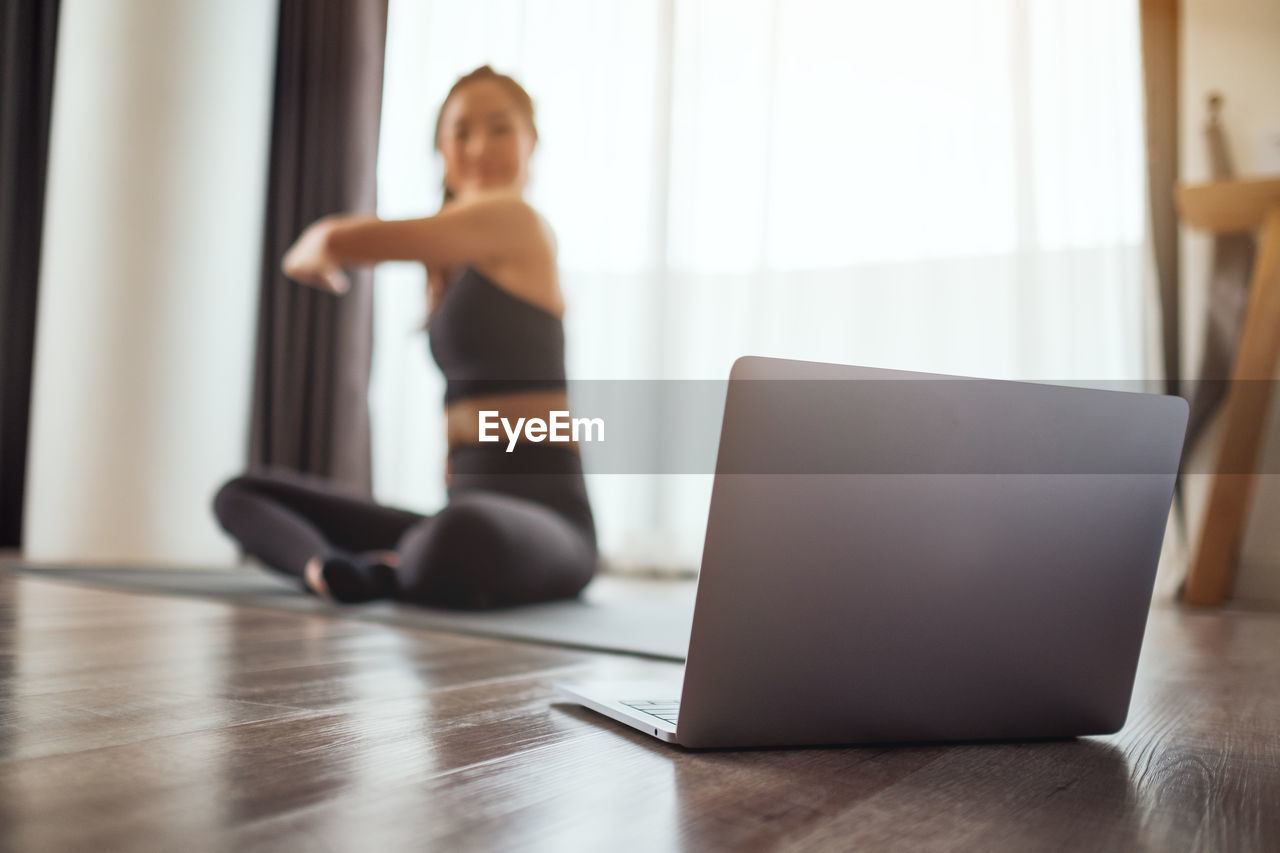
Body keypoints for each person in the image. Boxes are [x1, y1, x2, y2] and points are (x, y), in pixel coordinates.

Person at [213, 66, 598, 609]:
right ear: (441, 150)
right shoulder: (447, 264)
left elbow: (339, 239)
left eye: (500, 128)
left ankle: (403, 565)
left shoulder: (519, 223)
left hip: (550, 521)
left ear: (532, 141)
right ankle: (328, 570)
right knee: (241, 494)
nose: (480, 146)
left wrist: (322, 240)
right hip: (467, 510)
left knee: (456, 536)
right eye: (461, 132)